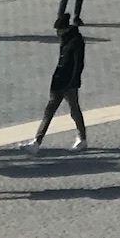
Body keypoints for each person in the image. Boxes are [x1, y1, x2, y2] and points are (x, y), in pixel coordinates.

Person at [24, 11, 86, 152]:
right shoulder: (66, 38)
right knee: (49, 111)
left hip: (69, 84)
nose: (57, 33)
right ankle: (37, 141)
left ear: (65, 28)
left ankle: (82, 139)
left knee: (74, 111)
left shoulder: (76, 41)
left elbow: (78, 64)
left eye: (58, 30)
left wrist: (73, 82)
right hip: (58, 83)